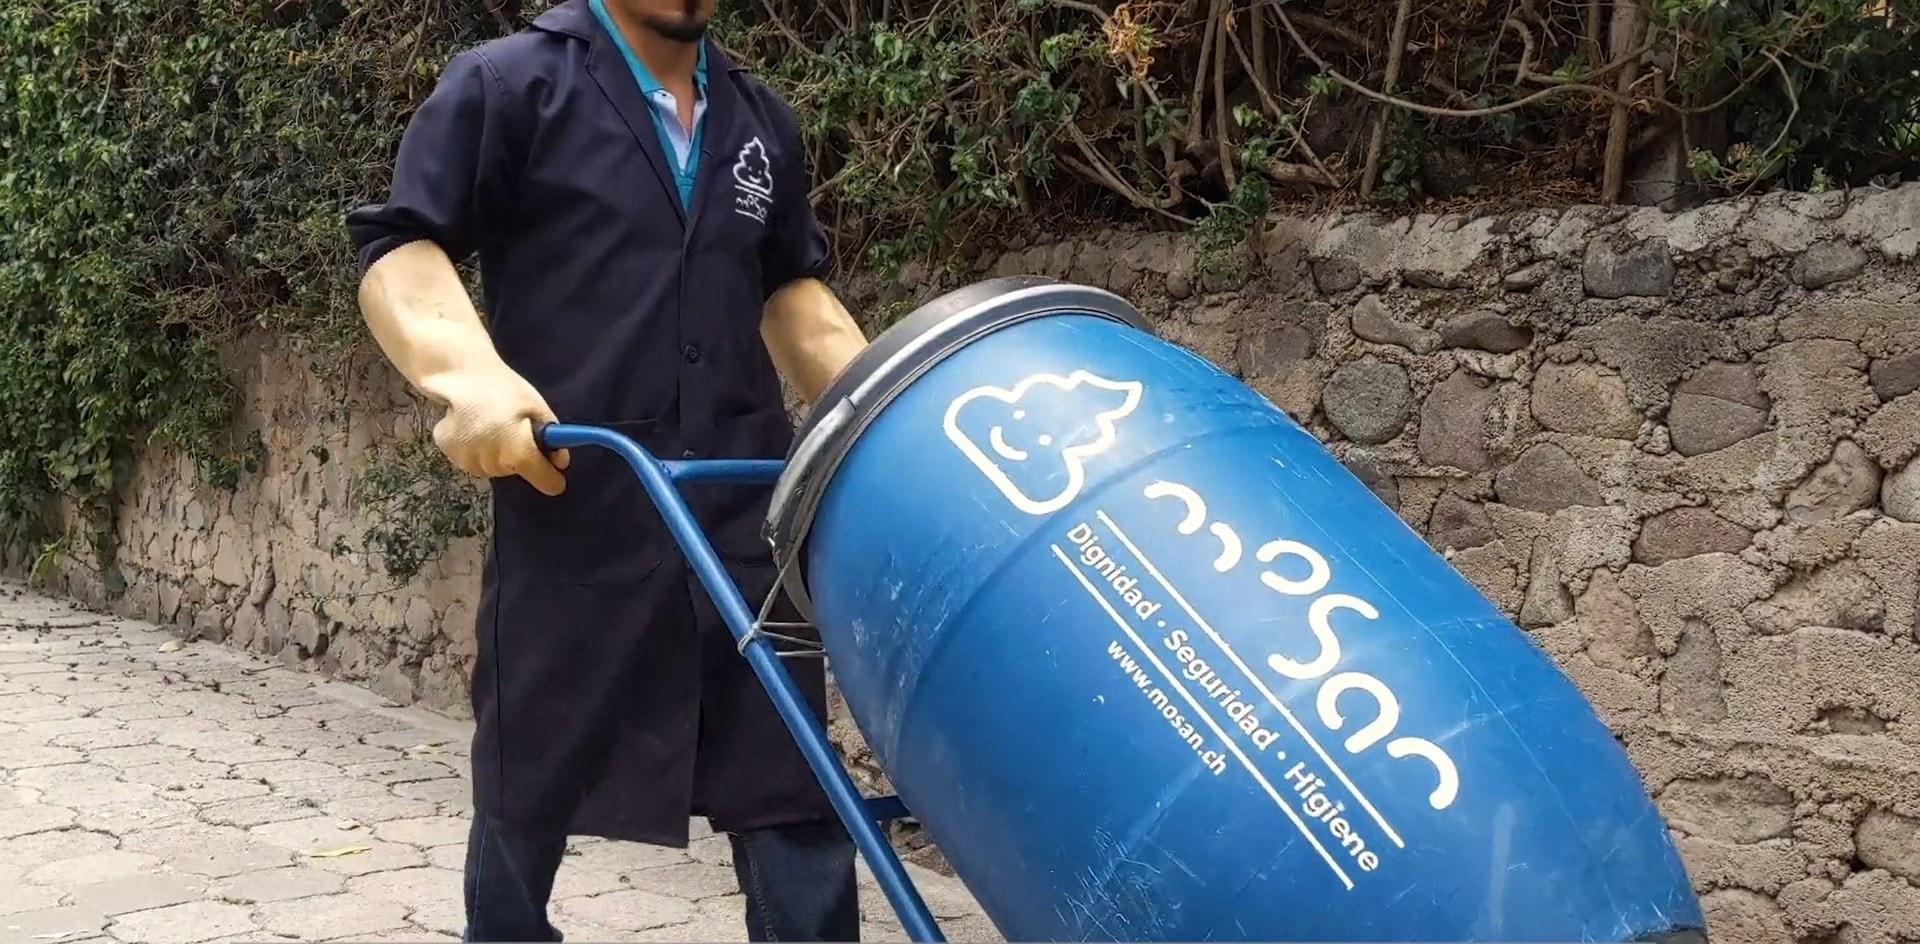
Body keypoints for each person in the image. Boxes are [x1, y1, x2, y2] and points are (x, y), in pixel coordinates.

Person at [344, 0, 872, 939]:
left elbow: (793, 292)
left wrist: (893, 421)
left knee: (794, 791)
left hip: (743, 518)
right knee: (526, 791)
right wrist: (468, 375)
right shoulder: (510, 86)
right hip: (577, 506)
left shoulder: (758, 118)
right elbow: (402, 246)